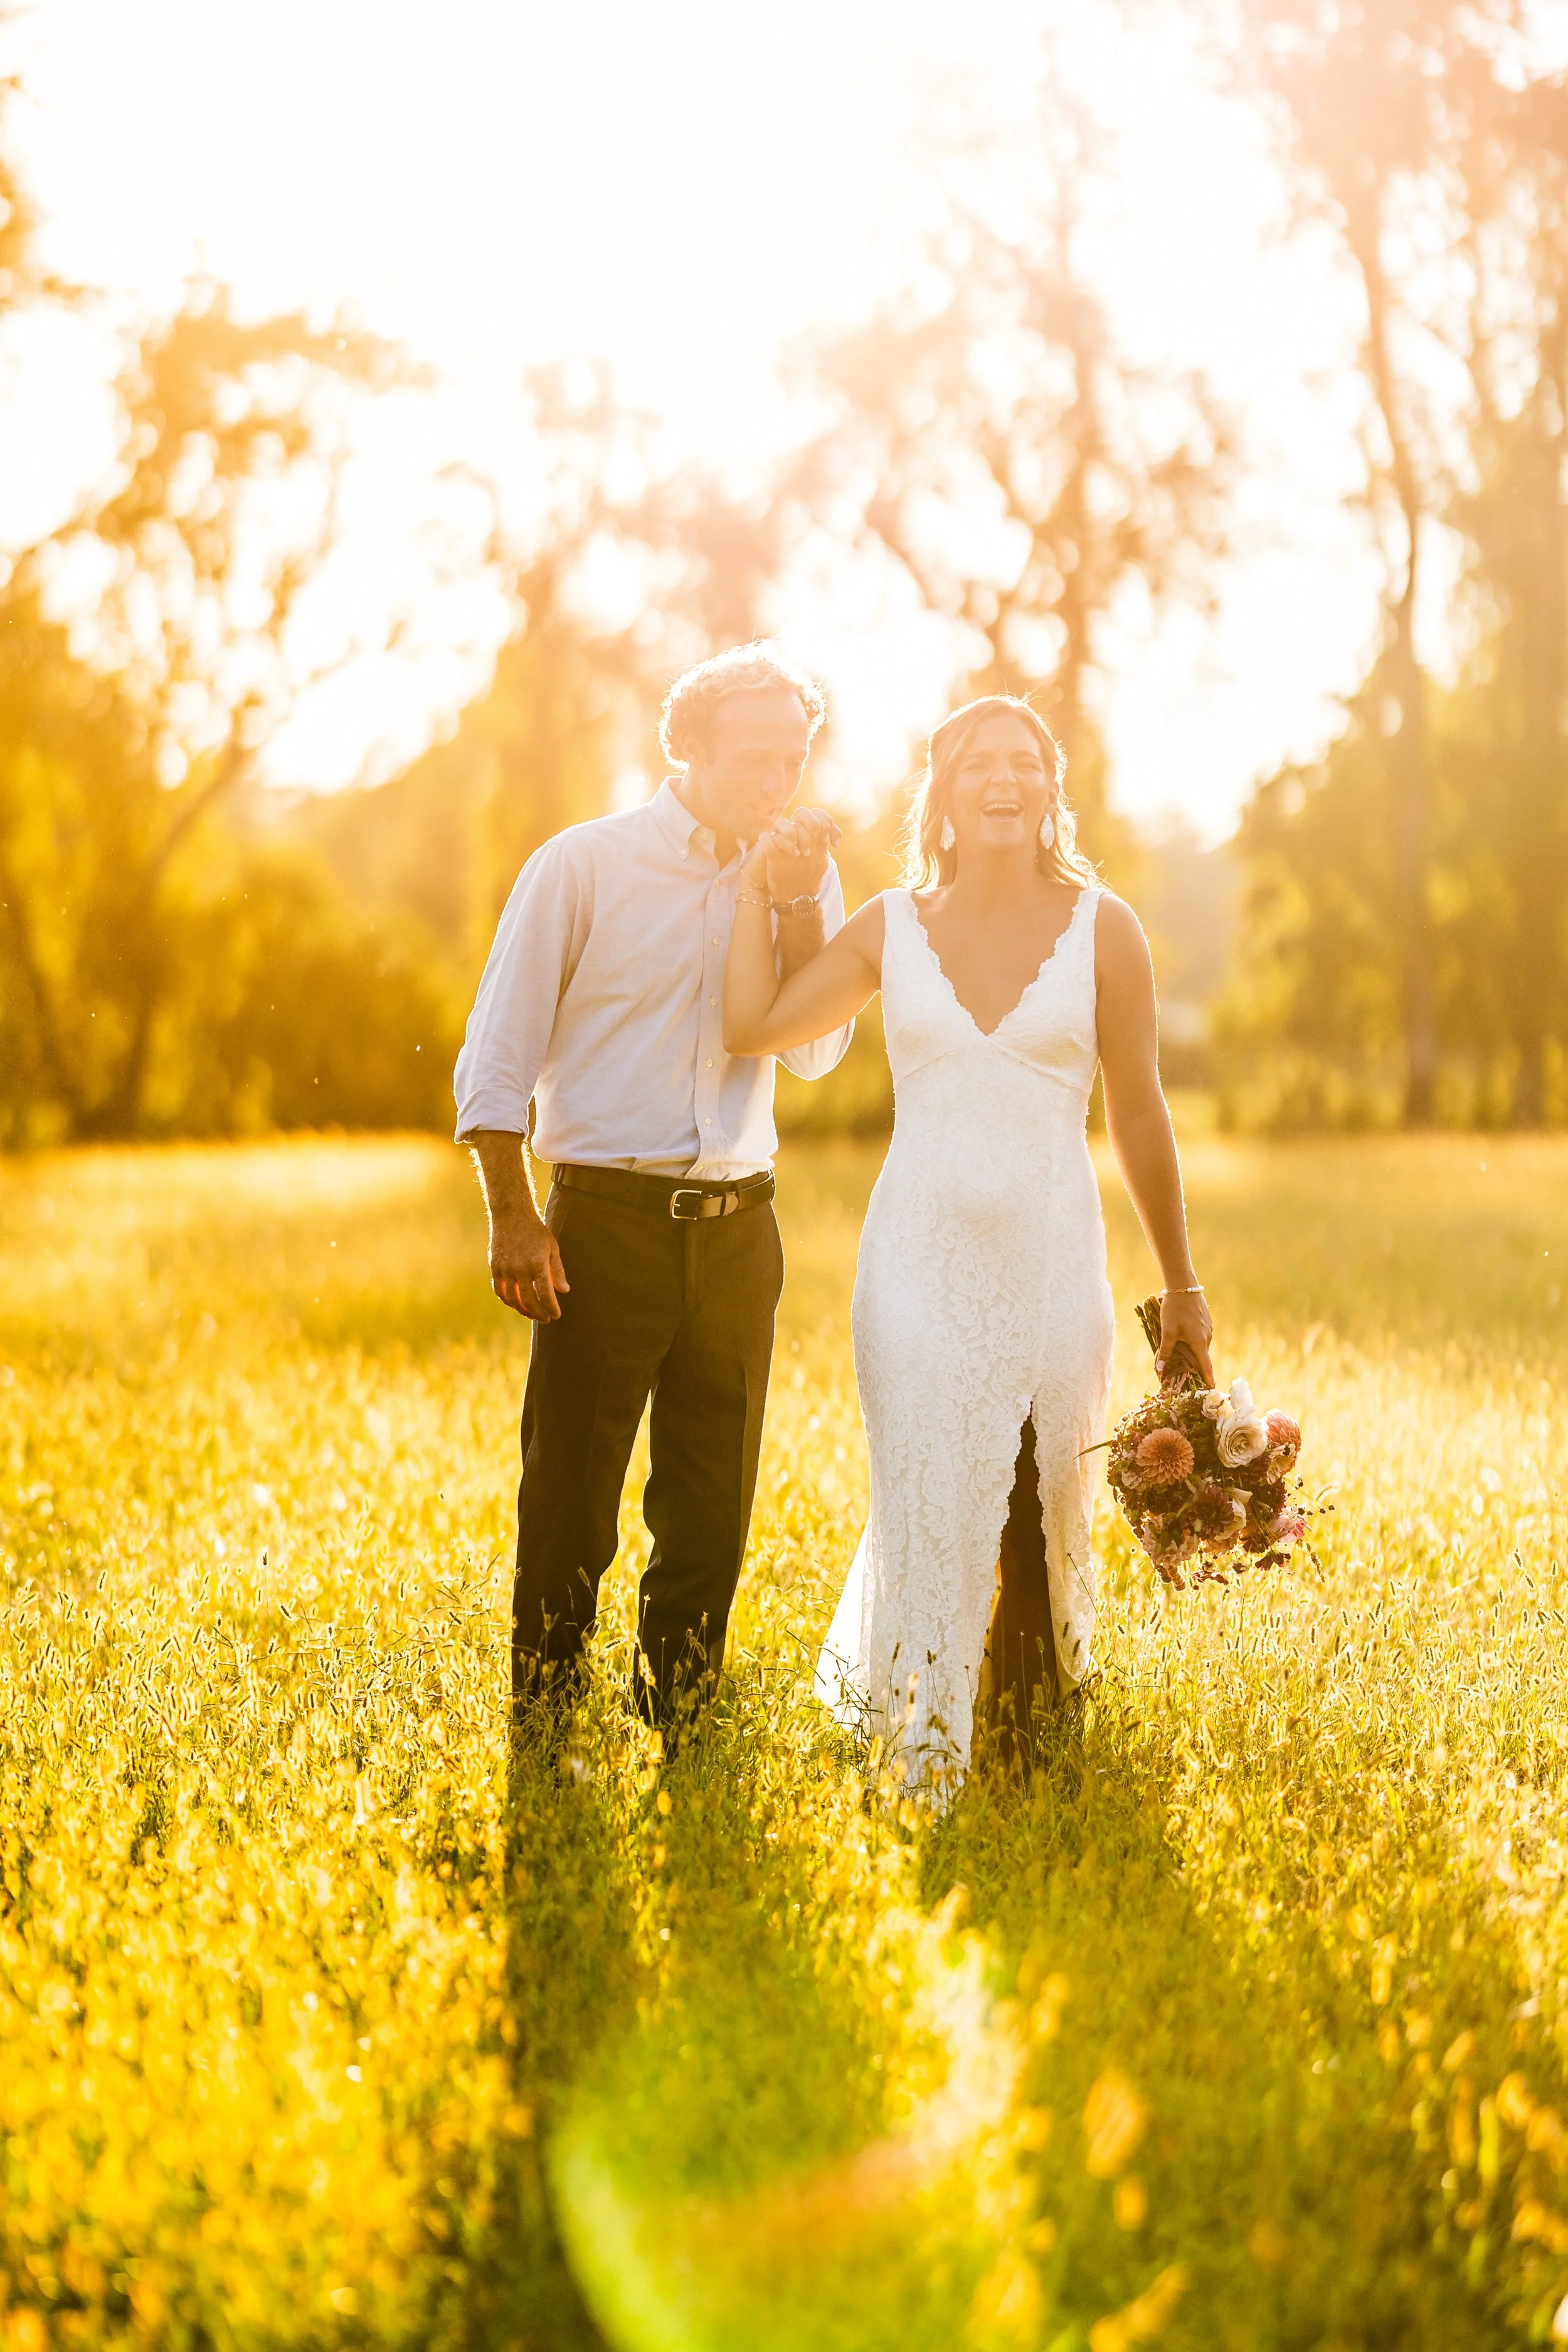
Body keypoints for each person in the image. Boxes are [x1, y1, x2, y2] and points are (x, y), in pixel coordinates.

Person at [724, 694, 1213, 1784]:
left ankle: (1027, 1749)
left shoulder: (1106, 928)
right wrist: (766, 896)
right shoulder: (892, 924)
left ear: (1050, 793)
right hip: (915, 1264)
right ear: (941, 797)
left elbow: (1139, 1110)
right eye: (979, 762)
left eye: (1024, 762)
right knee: (931, 1490)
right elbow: (757, 1027)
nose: (1003, 777)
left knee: (1046, 1497)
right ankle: (924, 1744)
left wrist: (1181, 1281)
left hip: (1050, 1259)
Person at [455, 643, 852, 1728]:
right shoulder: (583, 865)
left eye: (796, 759)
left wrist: (794, 907)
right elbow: (497, 1051)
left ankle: (680, 1716)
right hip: (605, 1221)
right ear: (691, 748)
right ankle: (547, 1721)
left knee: (711, 1509)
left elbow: (816, 1056)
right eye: (758, 759)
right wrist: (513, 1212)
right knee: (571, 1500)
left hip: (739, 1231)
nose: (780, 784)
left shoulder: (803, 872)